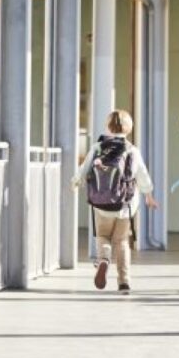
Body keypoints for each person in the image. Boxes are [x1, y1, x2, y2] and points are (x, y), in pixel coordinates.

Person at [72, 110, 157, 295]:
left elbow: (83, 169)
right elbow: (142, 176)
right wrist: (148, 195)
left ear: (108, 127)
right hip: (125, 206)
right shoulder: (132, 150)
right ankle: (124, 281)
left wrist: (75, 183)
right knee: (122, 242)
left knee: (102, 236)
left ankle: (103, 260)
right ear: (129, 129)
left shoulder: (98, 147)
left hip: (101, 204)